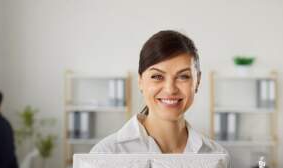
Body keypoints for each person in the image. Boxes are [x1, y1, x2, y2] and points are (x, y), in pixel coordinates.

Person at [91, 30, 228, 157]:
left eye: (183, 76)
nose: (170, 89)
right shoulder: (106, 154)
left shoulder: (217, 155)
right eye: (157, 76)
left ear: (197, 81)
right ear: (140, 81)